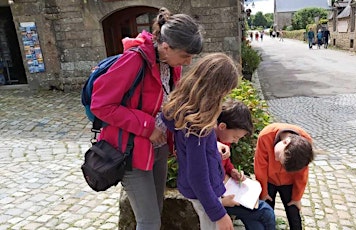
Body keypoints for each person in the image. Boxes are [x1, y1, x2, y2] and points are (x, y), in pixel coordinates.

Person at [90, 8, 204, 230]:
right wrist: (147, 126)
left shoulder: (170, 66)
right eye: (185, 56)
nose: (188, 62)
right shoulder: (133, 61)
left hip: (158, 148)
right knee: (149, 221)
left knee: (155, 213)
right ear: (165, 46)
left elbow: (167, 104)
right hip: (130, 151)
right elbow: (101, 105)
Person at [161, 53, 240, 230]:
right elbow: (197, 176)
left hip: (206, 191)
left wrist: (214, 145)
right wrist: (218, 214)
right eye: (225, 92)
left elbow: (194, 151)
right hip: (204, 192)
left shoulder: (190, 114)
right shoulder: (198, 125)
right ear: (216, 90)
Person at [216, 99, 276, 230]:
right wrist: (221, 202)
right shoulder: (209, 147)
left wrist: (232, 171)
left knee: (257, 225)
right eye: (235, 137)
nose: (235, 141)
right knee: (266, 212)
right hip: (219, 199)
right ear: (222, 127)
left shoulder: (225, 138)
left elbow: (225, 163)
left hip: (227, 190)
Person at [254, 123, 315, 230]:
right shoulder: (265, 136)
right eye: (278, 156)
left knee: (293, 212)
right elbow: (260, 167)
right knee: (266, 212)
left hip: (289, 182)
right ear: (285, 142)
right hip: (268, 181)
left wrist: (297, 197)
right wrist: (264, 192)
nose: (276, 160)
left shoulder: (306, 142)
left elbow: (302, 174)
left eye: (278, 157)